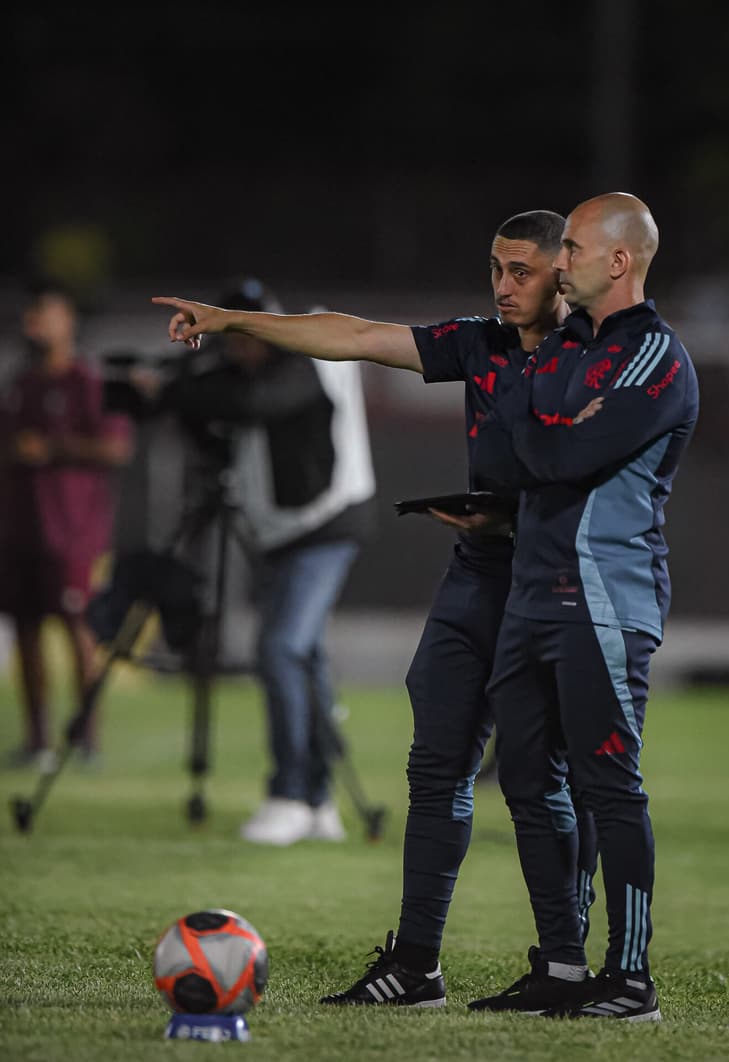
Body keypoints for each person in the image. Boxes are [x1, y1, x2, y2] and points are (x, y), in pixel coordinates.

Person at [152, 210, 601, 1009]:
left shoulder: (598, 353)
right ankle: (416, 964)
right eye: (495, 269)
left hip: (552, 579)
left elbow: (614, 481)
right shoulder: (480, 342)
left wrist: (519, 518)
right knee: (435, 768)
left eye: (520, 272)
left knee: (538, 780)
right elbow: (355, 335)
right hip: (477, 574)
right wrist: (230, 321)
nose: (502, 287)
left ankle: (564, 967)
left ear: (565, 273)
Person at [460, 192, 700, 1020]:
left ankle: (629, 978)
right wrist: (541, 424)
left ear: (620, 262)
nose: (559, 264)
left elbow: (560, 454)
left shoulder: (655, 358)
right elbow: (505, 450)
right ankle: (562, 965)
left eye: (573, 250)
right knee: (528, 783)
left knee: (609, 787)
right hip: (532, 593)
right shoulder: (562, 348)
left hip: (602, 599)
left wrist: (538, 421)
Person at [156, 277, 378, 846]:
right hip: (281, 533)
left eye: (245, 332)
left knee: (280, 648)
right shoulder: (240, 374)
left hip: (327, 525)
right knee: (303, 657)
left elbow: (250, 403)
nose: (240, 348)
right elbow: (218, 409)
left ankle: (293, 793)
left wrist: (177, 388)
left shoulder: (298, 363)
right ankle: (319, 797)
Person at [0, 280, 134, 768]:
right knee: (26, 632)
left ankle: (85, 736)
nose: (33, 325)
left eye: (44, 315)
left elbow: (118, 448)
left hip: (72, 533)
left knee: (79, 630)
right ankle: (37, 739)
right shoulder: (20, 382)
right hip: (19, 530)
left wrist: (53, 449)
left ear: (67, 323)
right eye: (30, 316)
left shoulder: (90, 381)